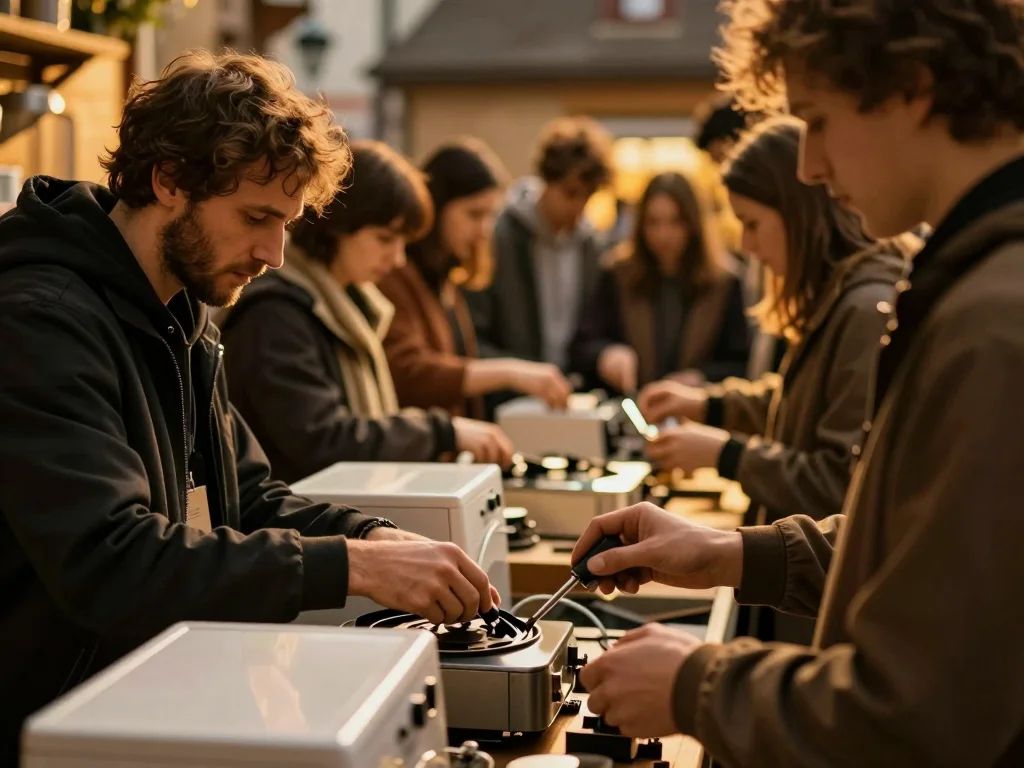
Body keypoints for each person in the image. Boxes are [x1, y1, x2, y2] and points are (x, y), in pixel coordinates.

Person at [0, 52, 497, 758]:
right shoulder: (39, 319)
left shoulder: (182, 309)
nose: (275, 252)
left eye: (288, 222)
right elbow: (109, 562)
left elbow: (248, 497)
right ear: (168, 180)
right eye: (257, 216)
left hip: (151, 704)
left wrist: (372, 536)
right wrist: (353, 569)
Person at [571, 0, 1024, 764]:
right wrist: (729, 554)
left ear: (910, 87)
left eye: (816, 119)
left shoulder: (996, 318)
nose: (809, 165)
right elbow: (912, 548)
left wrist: (696, 687)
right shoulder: (968, 281)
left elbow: (920, 712)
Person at [638, 118, 914, 524]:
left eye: (752, 224)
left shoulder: (863, 310)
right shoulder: (838, 298)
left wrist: (725, 454)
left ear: (799, 214)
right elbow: (799, 406)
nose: (747, 246)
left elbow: (837, 484)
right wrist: (710, 405)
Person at [219, 141, 513, 483]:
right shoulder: (274, 317)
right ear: (337, 225)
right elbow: (325, 440)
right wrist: (440, 432)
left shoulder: (350, 306)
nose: (398, 258)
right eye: (385, 239)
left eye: (403, 242)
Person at [379, 139, 573, 418]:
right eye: (473, 214)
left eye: (490, 216)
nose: (484, 230)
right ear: (436, 208)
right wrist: (509, 372)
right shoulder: (397, 273)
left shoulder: (447, 278)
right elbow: (407, 371)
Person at [570, 171, 750, 396]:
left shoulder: (724, 282)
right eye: (653, 223)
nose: (663, 235)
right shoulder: (617, 274)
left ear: (693, 224)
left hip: (698, 418)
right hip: (631, 411)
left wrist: (701, 379)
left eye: (675, 222)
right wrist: (606, 355)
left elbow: (741, 364)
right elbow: (582, 347)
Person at [464, 116, 613, 382]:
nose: (578, 207)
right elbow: (475, 331)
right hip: (511, 395)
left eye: (587, 196)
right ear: (547, 179)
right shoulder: (500, 237)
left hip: (570, 391)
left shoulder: (592, 247)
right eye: (570, 193)